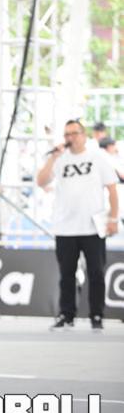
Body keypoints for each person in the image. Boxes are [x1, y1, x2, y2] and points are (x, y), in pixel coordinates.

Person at [36, 119, 119, 331]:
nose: (70, 138)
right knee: (66, 274)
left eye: (74, 133)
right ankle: (66, 314)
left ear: (84, 135)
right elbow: (41, 181)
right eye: (67, 134)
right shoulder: (60, 159)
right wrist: (53, 157)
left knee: (96, 273)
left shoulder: (97, 157)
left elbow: (112, 189)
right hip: (65, 227)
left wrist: (113, 219)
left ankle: (97, 315)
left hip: (92, 227)